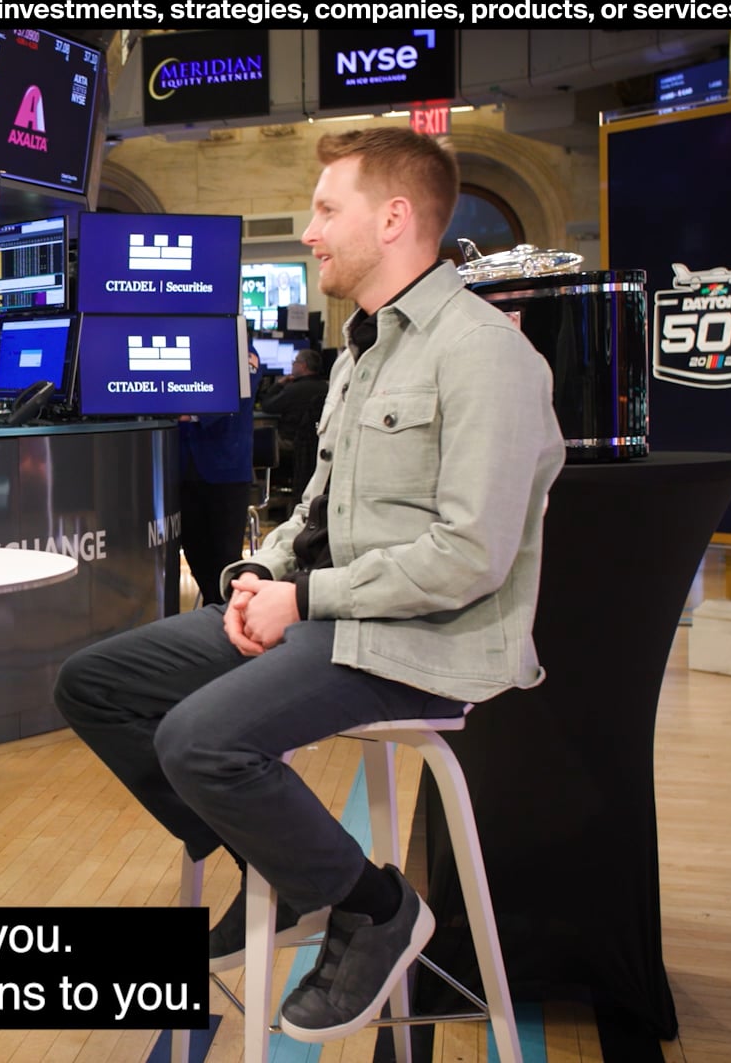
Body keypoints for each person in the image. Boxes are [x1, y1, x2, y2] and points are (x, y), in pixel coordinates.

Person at [53, 128, 563, 1044]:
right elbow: (315, 512)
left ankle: (372, 907)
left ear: (395, 217)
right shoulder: (364, 351)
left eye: (328, 210)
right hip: (326, 613)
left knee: (199, 742)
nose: (311, 231)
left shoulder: (486, 355)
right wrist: (260, 575)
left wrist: (306, 601)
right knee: (96, 685)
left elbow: (469, 557)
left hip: (425, 638)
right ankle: (283, 867)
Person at [175, 380, 255, 612]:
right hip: (183, 467)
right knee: (194, 550)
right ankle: (214, 611)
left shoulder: (244, 353)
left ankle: (232, 613)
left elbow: (239, 393)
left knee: (225, 555)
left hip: (226, 469)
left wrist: (189, 414)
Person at [259, 347, 331, 501]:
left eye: (294, 362)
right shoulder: (327, 388)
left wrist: (278, 385)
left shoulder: (293, 389)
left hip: (290, 443)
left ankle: (259, 492)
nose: (292, 365)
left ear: (303, 366)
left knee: (257, 439)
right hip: (318, 445)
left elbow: (268, 406)